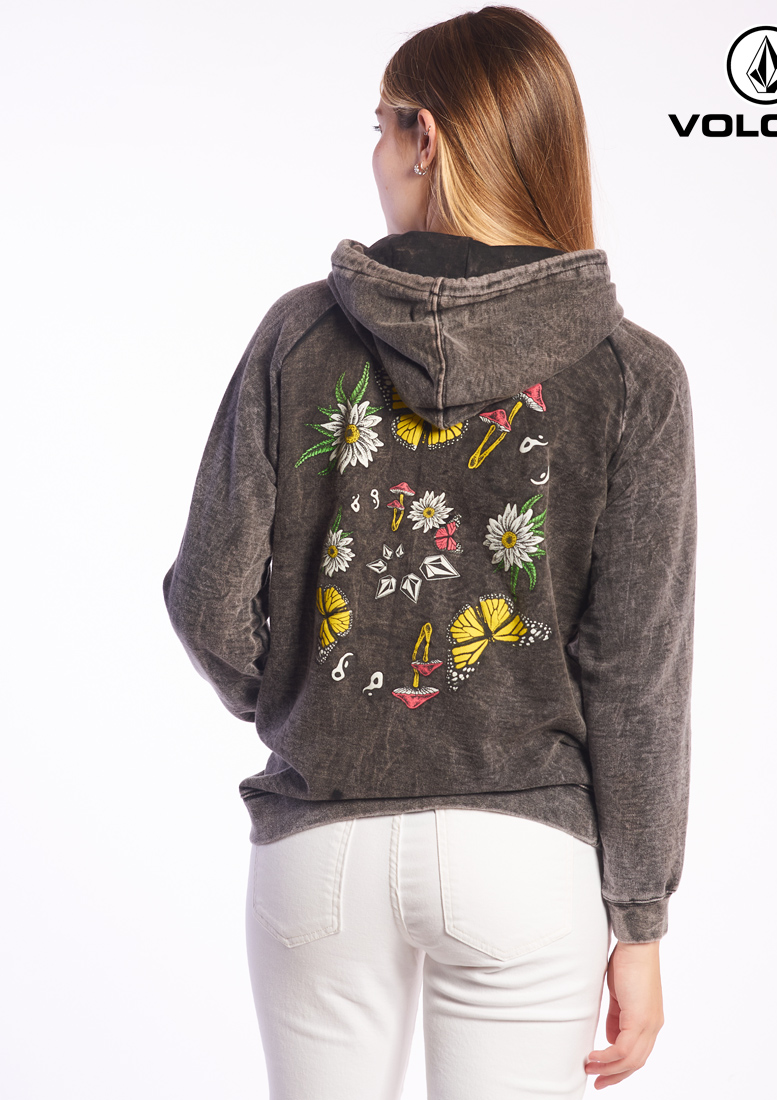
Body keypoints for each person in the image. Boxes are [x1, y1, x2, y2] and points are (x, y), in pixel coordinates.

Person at [162, 6, 697, 1098]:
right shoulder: (633, 377)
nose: (374, 153)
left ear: (427, 138)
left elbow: (208, 595)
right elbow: (635, 677)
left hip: (321, 848)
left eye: (380, 124)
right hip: (525, 856)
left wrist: (303, 695)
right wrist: (639, 922)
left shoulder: (298, 337)